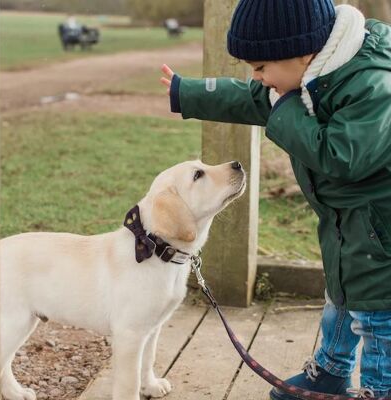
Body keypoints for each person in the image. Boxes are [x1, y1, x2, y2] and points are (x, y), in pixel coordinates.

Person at [160, 0, 391, 398]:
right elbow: (251, 98)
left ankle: (378, 388)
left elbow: (342, 157)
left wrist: (283, 110)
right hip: (347, 224)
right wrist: (188, 92)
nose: (258, 78)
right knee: (339, 299)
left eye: (262, 68)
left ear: (303, 52)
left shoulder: (373, 85)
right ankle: (331, 373)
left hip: (381, 232)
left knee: (376, 317)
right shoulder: (313, 72)